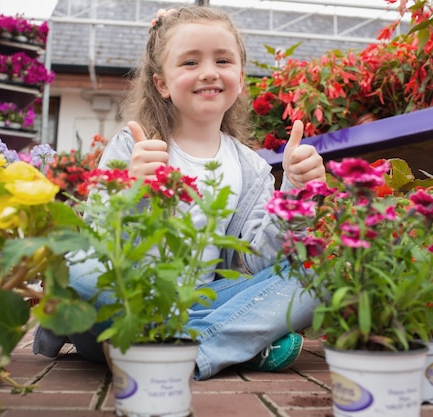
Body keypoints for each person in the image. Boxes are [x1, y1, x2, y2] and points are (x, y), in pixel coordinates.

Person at [33, 6, 326, 380]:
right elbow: (98, 242)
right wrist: (133, 189)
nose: (208, 71)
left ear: (238, 75)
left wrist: (296, 192)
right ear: (161, 83)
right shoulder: (132, 146)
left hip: (201, 303)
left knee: (311, 280)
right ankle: (222, 344)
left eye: (222, 59)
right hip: (121, 307)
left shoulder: (251, 169)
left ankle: (186, 350)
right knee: (76, 268)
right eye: (190, 62)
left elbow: (259, 263)